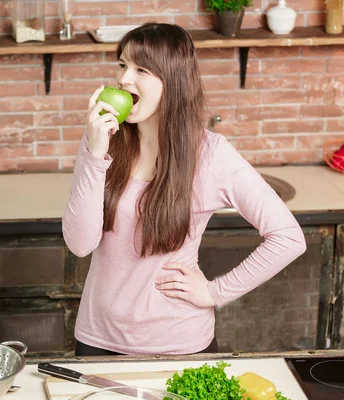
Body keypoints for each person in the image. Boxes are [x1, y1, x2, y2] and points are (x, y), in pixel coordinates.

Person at [62, 22, 307, 356]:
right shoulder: (102, 139)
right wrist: (94, 152)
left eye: (141, 69)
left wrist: (215, 292)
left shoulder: (211, 154)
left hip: (180, 343)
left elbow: (288, 237)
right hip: (98, 339)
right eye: (122, 65)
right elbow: (79, 244)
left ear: (172, 81)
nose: (123, 79)